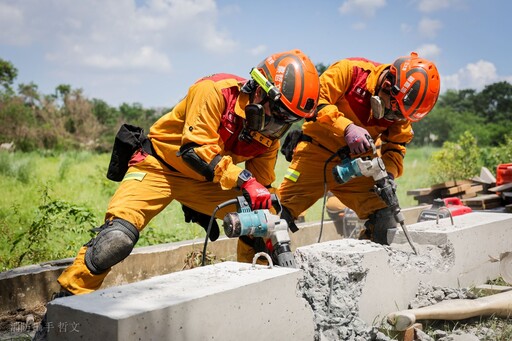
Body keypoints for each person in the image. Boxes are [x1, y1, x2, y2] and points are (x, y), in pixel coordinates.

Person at [33, 49, 319, 340]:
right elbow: (194, 150)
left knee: (262, 223)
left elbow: (263, 182)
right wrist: (244, 179)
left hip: (204, 181)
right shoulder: (213, 92)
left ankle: (255, 299)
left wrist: (270, 206)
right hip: (160, 165)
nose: (277, 127)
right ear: (258, 91)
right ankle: (58, 318)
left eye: (287, 121)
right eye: (277, 115)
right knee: (114, 240)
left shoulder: (269, 136)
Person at [278, 52, 440, 245]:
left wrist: (388, 175)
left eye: (400, 116)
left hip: (357, 165)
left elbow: (396, 147)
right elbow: (313, 103)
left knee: (384, 215)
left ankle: (369, 265)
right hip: (313, 157)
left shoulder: (400, 110)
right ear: (387, 85)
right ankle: (258, 269)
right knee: (277, 218)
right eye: (393, 111)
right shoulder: (349, 71)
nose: (393, 119)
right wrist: (346, 127)